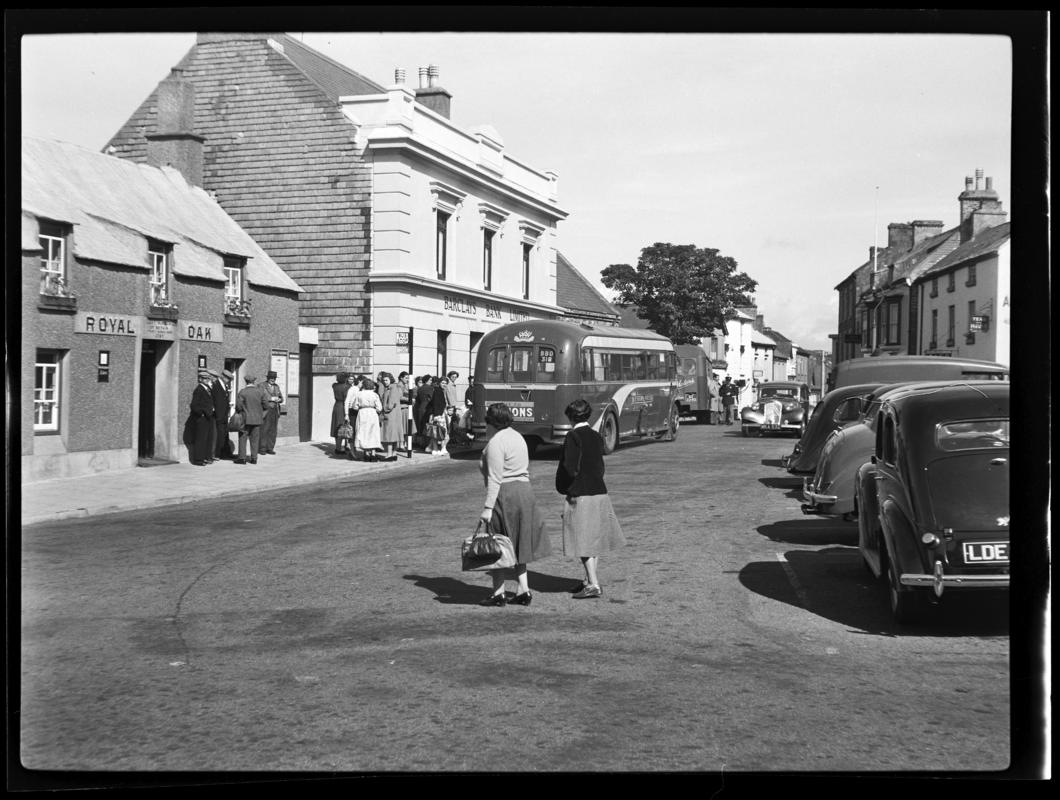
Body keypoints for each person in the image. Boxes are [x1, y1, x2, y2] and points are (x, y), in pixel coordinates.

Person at [478, 402, 551, 606]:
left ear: (491, 422)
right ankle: (523, 589)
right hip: (525, 491)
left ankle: (498, 592)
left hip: (506, 493)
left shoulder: (496, 442)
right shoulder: (518, 436)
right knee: (519, 541)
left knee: (497, 543)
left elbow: (495, 478)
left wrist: (487, 508)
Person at [555, 399, 626, 599]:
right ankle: (588, 579)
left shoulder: (572, 436)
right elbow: (600, 466)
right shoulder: (596, 436)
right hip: (600, 492)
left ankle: (593, 584)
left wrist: (564, 486)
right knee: (595, 537)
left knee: (582, 539)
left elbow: (569, 467)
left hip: (581, 493)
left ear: (570, 417)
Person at [234, 374, 268, 464]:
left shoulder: (242, 392)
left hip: (245, 419)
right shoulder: (260, 392)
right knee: (255, 439)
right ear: (254, 381)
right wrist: (262, 415)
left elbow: (239, 406)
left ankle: (242, 458)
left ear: (246, 381)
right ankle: (254, 458)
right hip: (257, 419)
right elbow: (266, 406)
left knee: (242, 437)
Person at [188, 369, 215, 466]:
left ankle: (205, 457)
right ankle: (198, 459)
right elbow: (194, 405)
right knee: (200, 439)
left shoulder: (207, 388)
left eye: (208, 378)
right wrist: (201, 414)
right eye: (205, 378)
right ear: (200, 379)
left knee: (207, 439)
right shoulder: (199, 389)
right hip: (202, 418)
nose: (207, 380)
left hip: (209, 417)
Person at [352, 378, 384, 461]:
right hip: (372, 413)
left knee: (363, 432)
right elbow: (379, 408)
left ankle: (366, 453)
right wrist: (375, 410)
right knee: (373, 433)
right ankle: (373, 454)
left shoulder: (359, 394)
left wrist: (359, 407)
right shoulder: (375, 395)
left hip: (362, 413)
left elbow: (355, 406)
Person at [378, 372, 403, 461]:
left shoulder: (392, 388)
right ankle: (394, 453)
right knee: (394, 434)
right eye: (384, 380)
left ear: (390, 379)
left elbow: (391, 403)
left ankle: (389, 454)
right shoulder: (392, 388)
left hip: (390, 415)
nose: (385, 382)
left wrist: (384, 409)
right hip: (394, 414)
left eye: (386, 380)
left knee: (389, 435)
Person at [259, 370, 284, 456]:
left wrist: (279, 399)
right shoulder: (262, 385)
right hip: (266, 410)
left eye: (274, 378)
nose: (273, 380)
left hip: (275, 410)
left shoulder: (276, 386)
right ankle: (262, 448)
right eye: (271, 378)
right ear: (267, 378)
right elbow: (260, 397)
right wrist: (271, 398)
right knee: (264, 429)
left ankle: (270, 448)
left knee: (273, 430)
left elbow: (281, 397)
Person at [212, 368, 235, 459]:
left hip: (224, 415)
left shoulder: (224, 386)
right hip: (219, 415)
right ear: (223, 377)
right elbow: (215, 401)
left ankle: (225, 453)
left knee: (225, 435)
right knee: (219, 435)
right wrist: (218, 415)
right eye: (228, 379)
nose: (229, 381)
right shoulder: (216, 385)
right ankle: (218, 454)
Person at [427, 375, 450, 454]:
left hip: (440, 414)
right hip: (438, 415)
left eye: (446, 383)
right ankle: (436, 449)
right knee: (438, 432)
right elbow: (435, 404)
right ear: (439, 383)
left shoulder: (441, 391)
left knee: (437, 432)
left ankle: (433, 448)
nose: (444, 384)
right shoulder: (438, 391)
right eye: (443, 383)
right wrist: (437, 415)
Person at [413, 374, 435, 451]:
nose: (431, 382)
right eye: (430, 380)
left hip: (420, 408)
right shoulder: (430, 388)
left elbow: (418, 400)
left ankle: (421, 442)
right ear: (426, 381)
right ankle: (426, 443)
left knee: (421, 425)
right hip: (427, 408)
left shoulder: (420, 389)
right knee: (427, 426)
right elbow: (432, 398)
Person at [331, 372, 351, 455]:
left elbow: (334, 384)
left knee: (337, 426)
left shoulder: (335, 386)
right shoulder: (347, 387)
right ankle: (345, 446)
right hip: (343, 406)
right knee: (344, 426)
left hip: (336, 406)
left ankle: (337, 447)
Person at [443, 370, 462, 438]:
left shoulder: (452, 384)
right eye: (453, 376)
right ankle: (451, 438)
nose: (454, 378)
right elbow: (449, 395)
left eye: (455, 377)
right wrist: (454, 406)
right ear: (450, 376)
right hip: (451, 407)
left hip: (452, 406)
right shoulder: (449, 384)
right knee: (451, 423)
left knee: (452, 422)